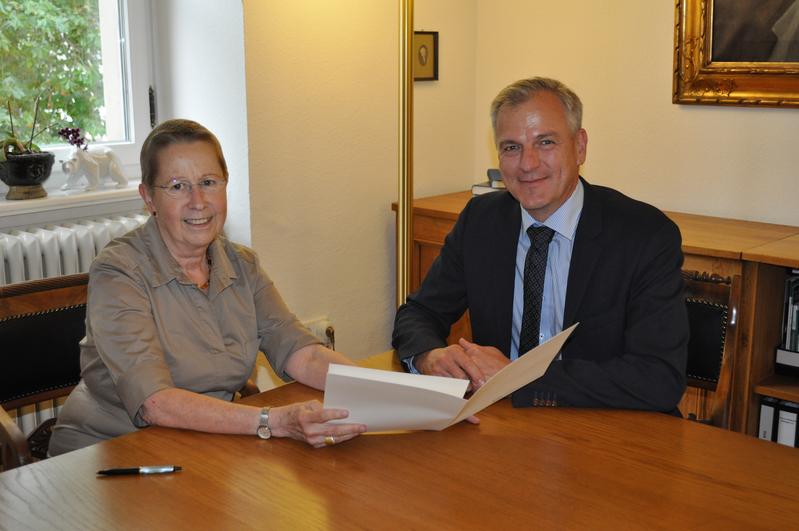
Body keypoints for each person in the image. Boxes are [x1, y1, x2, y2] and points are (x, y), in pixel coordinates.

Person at [50, 119, 366, 455]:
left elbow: (303, 353)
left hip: (207, 444)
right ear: (148, 198)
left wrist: (391, 391)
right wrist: (272, 421)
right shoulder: (118, 272)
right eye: (177, 186)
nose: (198, 201)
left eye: (209, 182)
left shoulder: (242, 265)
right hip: (110, 452)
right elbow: (154, 402)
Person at [392, 77, 688, 412]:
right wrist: (431, 357)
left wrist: (518, 378)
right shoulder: (481, 221)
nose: (528, 164)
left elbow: (659, 378)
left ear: (580, 146)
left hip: (603, 433)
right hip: (500, 428)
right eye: (511, 147)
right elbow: (418, 313)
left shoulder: (644, 235)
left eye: (545, 142)